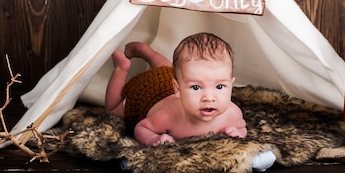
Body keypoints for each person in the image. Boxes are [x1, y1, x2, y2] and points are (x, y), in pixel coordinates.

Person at [105, 32, 248, 147]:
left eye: (220, 86)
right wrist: (154, 138)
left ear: (231, 85)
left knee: (169, 70)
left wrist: (238, 132)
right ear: (177, 89)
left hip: (169, 78)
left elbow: (242, 128)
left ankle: (146, 52)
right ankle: (121, 67)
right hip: (146, 93)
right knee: (113, 111)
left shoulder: (233, 114)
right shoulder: (167, 117)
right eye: (196, 87)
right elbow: (141, 128)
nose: (209, 97)